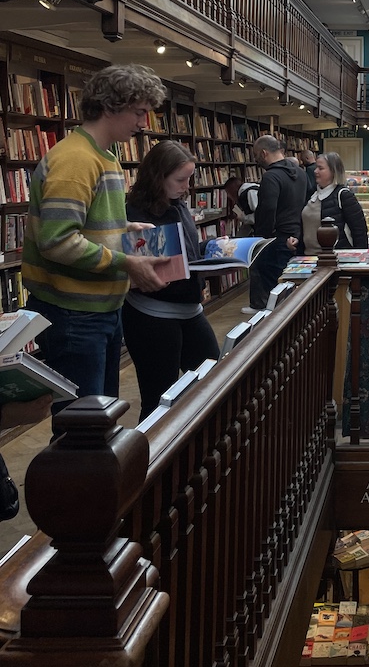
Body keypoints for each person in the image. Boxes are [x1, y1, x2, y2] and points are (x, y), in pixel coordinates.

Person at [21, 64, 171, 406]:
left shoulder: (105, 157)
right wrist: (127, 262)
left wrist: (124, 228)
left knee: (100, 419)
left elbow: (85, 224)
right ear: (110, 106)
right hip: (73, 313)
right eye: (138, 112)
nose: (143, 123)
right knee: (82, 429)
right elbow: (57, 242)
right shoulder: (76, 160)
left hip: (98, 309)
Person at [122, 141, 220, 419]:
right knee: (158, 400)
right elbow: (146, 271)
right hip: (152, 316)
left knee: (212, 378)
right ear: (158, 177)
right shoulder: (136, 215)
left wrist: (212, 254)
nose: (187, 186)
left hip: (190, 310)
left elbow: (185, 253)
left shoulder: (178, 205)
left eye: (189, 178)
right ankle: (152, 460)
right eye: (180, 179)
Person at [246, 134, 308, 311]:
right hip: (296, 234)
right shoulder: (301, 174)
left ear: (264, 153)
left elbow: (267, 209)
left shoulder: (271, 177)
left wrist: (260, 239)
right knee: (288, 283)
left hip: (276, 237)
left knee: (272, 282)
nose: (256, 159)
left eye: (256, 155)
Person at [302, 152, 368, 255]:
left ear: (333, 171)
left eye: (320, 168)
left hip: (334, 259)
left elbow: (359, 231)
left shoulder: (344, 195)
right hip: (308, 258)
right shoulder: (312, 195)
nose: (315, 171)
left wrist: (361, 259)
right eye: (316, 167)